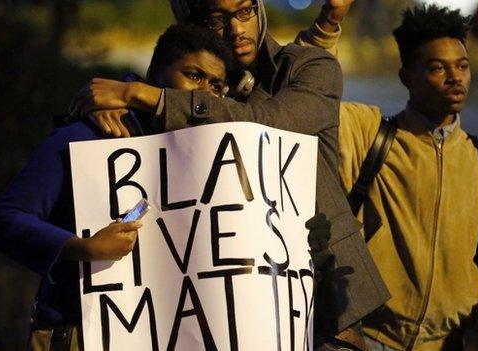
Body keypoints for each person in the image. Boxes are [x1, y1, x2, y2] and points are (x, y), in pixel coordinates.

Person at [69, 0, 390, 348]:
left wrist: (141, 95)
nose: (236, 30)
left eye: (245, 11)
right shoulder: (174, 87)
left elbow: (269, 125)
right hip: (210, 309)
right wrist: (115, 107)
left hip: (319, 305)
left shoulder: (309, 67)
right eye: (216, 19)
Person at [0, 23, 238, 351]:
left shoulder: (211, 159)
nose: (205, 93)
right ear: (153, 78)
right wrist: (82, 248)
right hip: (79, 334)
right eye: (193, 75)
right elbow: (4, 219)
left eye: (217, 85)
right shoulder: (85, 137)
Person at [297, 4, 478, 350]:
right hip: (363, 339)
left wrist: (472, 288)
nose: (455, 77)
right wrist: (329, 22)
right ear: (407, 76)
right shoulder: (370, 135)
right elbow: (309, 97)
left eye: (462, 66)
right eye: (437, 67)